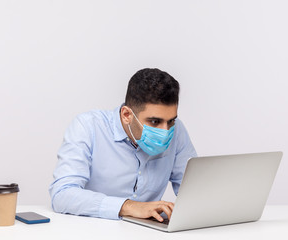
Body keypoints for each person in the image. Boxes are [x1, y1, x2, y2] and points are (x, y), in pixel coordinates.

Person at [49, 68, 197, 222]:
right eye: (154, 122)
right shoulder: (88, 127)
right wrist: (129, 207)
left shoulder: (176, 130)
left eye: (171, 120)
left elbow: (195, 192)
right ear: (127, 115)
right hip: (92, 230)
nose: (165, 131)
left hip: (149, 233)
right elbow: (62, 195)